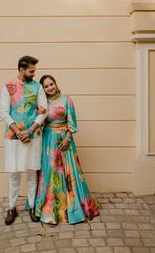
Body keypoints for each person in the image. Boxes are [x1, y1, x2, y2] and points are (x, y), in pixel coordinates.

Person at [35, 75, 99, 225]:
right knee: (51, 172)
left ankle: (75, 209)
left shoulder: (66, 99)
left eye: (52, 84)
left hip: (65, 139)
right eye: (46, 86)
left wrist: (67, 138)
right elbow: (40, 123)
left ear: (56, 84)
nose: (50, 87)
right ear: (43, 89)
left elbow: (72, 121)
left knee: (70, 172)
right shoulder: (43, 103)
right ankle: (50, 209)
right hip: (49, 141)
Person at [0, 56, 48, 225]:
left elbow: (44, 111)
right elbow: (4, 113)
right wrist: (19, 132)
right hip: (14, 137)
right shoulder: (8, 87)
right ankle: (11, 208)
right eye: (31, 71)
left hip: (33, 136)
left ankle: (32, 207)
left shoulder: (38, 87)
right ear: (21, 70)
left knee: (32, 172)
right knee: (14, 174)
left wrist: (29, 131)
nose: (34, 74)